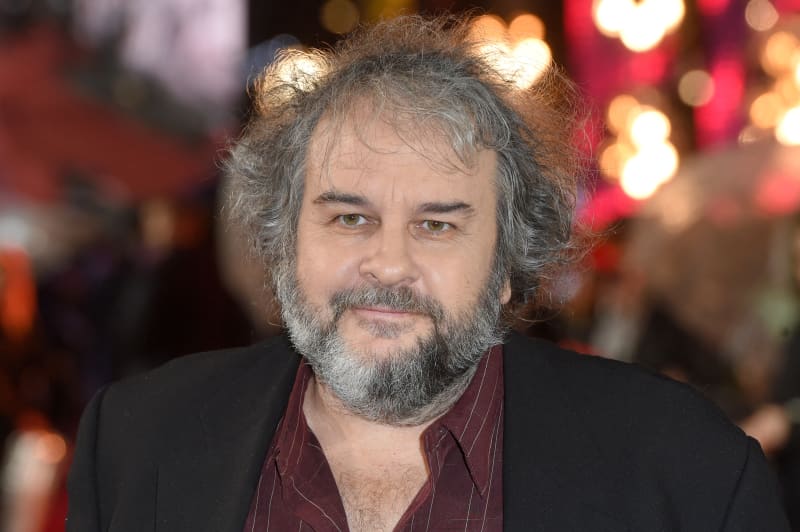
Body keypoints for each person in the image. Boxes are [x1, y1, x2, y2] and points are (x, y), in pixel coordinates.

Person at [65, 14, 789, 532]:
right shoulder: (135, 443)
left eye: (437, 225)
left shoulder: (687, 473)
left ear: (508, 262)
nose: (389, 262)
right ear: (283, 242)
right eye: (349, 217)